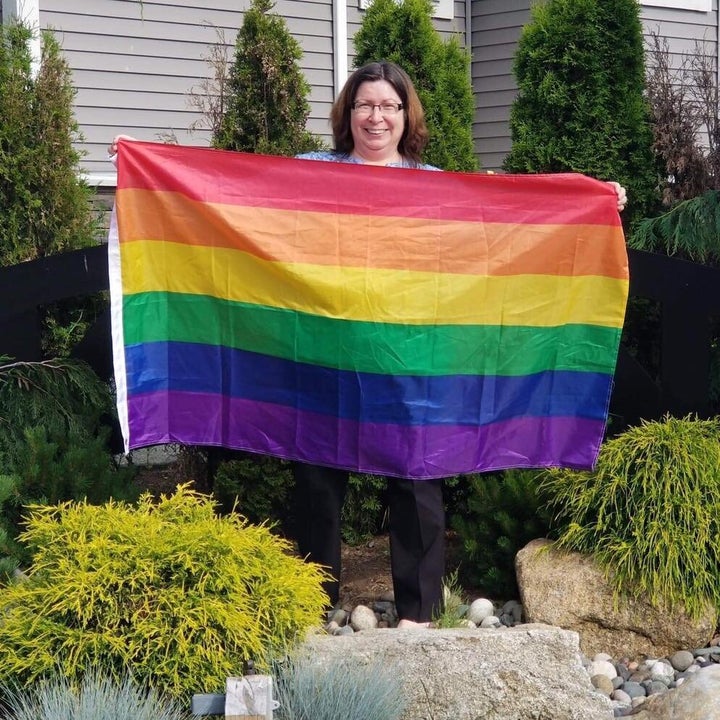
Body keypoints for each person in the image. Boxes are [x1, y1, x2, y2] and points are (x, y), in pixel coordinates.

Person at [108, 60, 627, 629]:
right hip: (326, 350)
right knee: (317, 475)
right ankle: (312, 605)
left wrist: (594, 202)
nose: (376, 117)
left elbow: (492, 229)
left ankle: (418, 614)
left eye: (389, 106)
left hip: (407, 355)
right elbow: (236, 198)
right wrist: (144, 170)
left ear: (407, 116)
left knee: (416, 473)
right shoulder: (311, 173)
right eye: (364, 105)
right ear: (347, 114)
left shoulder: (431, 185)